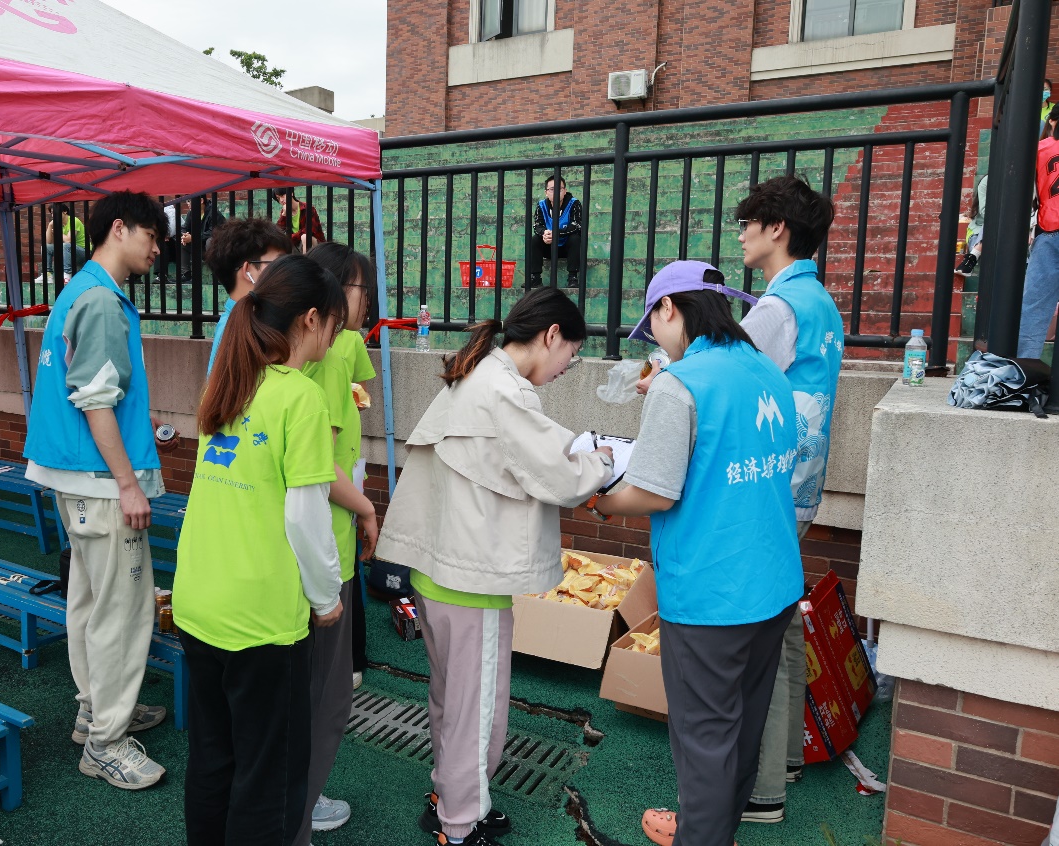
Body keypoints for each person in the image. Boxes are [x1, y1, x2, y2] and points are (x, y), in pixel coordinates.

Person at [376, 287, 614, 846]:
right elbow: (560, 474)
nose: (567, 366)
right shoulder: (505, 390)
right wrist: (603, 461)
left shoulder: (477, 372)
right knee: (477, 710)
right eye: (571, 353)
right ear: (551, 335)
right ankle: (460, 825)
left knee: (451, 701)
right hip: (471, 580)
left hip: (439, 571)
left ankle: (449, 799)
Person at [589, 260, 803, 846]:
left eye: (653, 325)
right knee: (742, 729)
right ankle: (716, 832)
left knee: (705, 739)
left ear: (669, 308)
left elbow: (654, 492)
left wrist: (600, 500)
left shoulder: (679, 384)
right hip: (774, 582)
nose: (656, 340)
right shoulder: (767, 369)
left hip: (711, 593)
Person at [173, 254, 347, 846]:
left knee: (213, 756)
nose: (334, 338)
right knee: (267, 778)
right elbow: (305, 516)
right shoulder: (300, 397)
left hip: (199, 601)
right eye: (335, 324)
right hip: (261, 617)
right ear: (311, 319)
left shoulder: (229, 381)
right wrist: (326, 598)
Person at [24, 190, 175, 790]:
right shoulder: (103, 301)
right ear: (119, 228)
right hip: (102, 482)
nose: (158, 249)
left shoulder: (76, 291)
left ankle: (97, 713)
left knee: (89, 603)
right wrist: (128, 484)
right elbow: (96, 401)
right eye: (152, 236)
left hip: (73, 475)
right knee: (122, 611)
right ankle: (107, 740)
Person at [734, 175, 841, 825]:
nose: (742, 235)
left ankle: (762, 789)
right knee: (785, 615)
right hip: (801, 487)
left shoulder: (777, 308)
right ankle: (790, 761)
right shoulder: (819, 300)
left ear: (777, 229)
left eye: (748, 223)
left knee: (760, 636)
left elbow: (727, 380)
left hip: (766, 485)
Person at [292, 241, 381, 844]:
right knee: (322, 694)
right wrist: (367, 507)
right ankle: (301, 801)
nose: (364, 301)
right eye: (355, 288)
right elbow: (319, 467)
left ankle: (296, 794)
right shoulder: (329, 355)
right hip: (324, 545)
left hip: (317, 541)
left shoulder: (301, 357)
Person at [203, 217, 293, 376]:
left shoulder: (253, 321)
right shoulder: (234, 331)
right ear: (247, 271)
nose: (286, 272)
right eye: (278, 264)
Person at [1016, 116, 1059, 359]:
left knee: (1034, 308)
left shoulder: (1040, 148)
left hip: (1050, 230)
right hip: (1048, 232)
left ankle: (1023, 367)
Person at [529, 175, 584, 288]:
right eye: (552, 189)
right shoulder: (541, 205)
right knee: (535, 240)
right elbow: (537, 225)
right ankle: (535, 278)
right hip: (549, 247)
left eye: (560, 189)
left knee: (575, 238)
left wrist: (556, 233)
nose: (556, 192)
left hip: (567, 248)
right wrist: (544, 233)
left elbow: (576, 225)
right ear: (546, 192)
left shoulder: (574, 203)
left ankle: (573, 277)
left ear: (565, 191)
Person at [44, 202, 90, 279]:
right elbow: (48, 242)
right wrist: (50, 225)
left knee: (66, 245)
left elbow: (68, 240)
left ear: (65, 212)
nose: (53, 215)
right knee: (46, 247)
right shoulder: (58, 224)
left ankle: (67, 274)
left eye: (55, 212)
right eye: (52, 213)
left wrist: (58, 232)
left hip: (83, 252)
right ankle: (48, 274)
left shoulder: (74, 220)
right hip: (68, 253)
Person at [273, 187, 326, 253]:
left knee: (304, 237)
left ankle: (306, 259)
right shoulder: (284, 212)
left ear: (291, 193)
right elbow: (278, 231)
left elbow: (309, 230)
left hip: (316, 245)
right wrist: (284, 215)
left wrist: (289, 238)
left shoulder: (307, 208)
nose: (281, 200)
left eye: (282, 196)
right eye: (278, 198)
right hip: (296, 243)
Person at [956, 174, 989, 277]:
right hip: (979, 234)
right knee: (994, 220)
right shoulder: (987, 181)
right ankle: (973, 256)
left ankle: (972, 257)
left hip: (1007, 236)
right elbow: (986, 212)